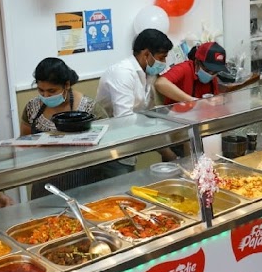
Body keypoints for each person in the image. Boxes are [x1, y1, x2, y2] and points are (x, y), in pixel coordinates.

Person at [95, 28, 176, 171]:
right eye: (162, 57)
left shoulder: (149, 74)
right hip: (111, 148)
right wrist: (157, 119)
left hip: (130, 145)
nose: (164, 62)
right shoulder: (122, 73)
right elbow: (124, 119)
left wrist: (168, 153)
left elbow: (148, 111)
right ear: (146, 54)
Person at [20, 57, 96, 136]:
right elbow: (25, 139)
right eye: (41, 90)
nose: (46, 96)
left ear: (67, 85)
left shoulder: (89, 107)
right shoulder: (32, 108)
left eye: (51, 91)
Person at [156, 41, 227, 105]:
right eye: (208, 70)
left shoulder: (212, 79)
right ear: (197, 62)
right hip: (175, 113)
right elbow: (160, 83)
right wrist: (193, 101)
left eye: (215, 72)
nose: (210, 75)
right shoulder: (184, 69)